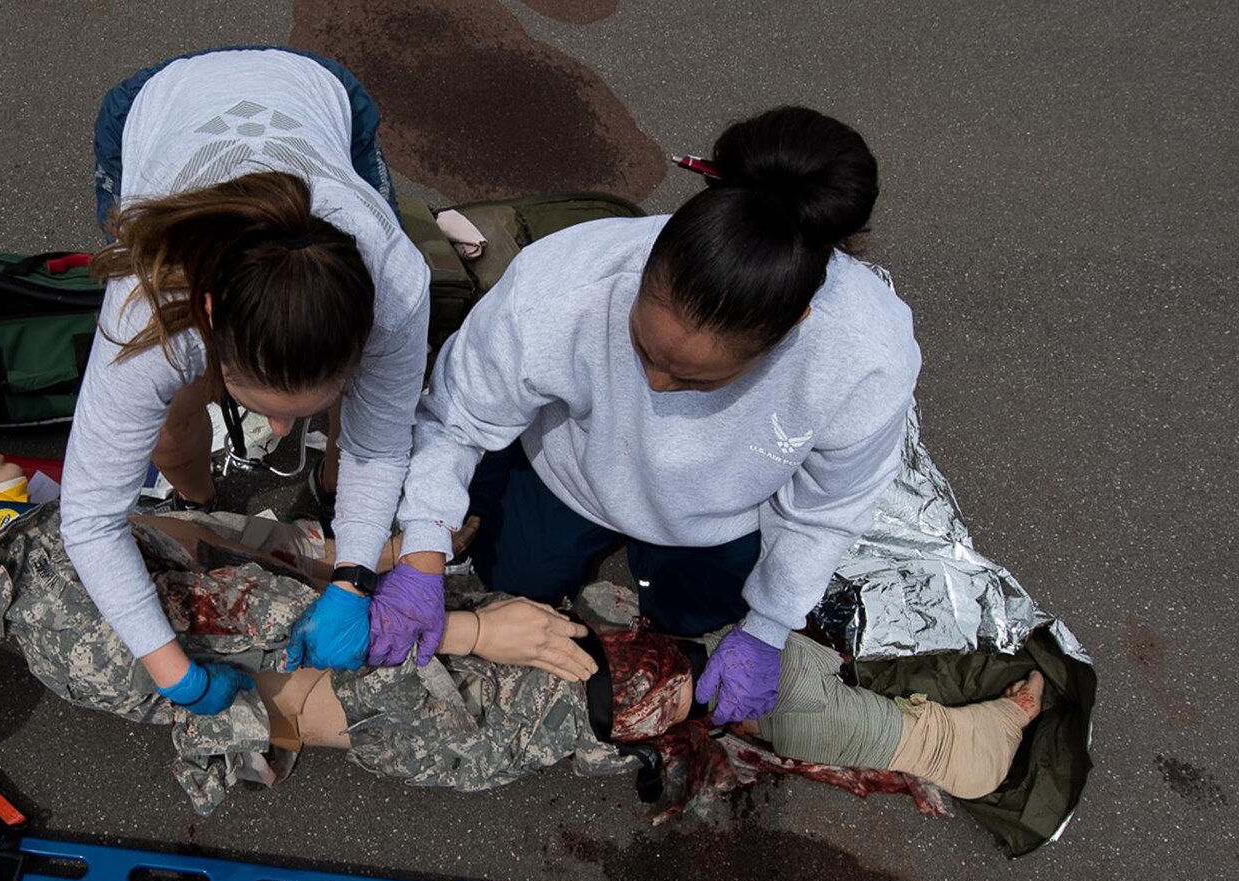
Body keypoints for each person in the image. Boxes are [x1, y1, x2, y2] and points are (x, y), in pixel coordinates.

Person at [0, 453, 1043, 817]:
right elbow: (280, 634)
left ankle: (880, 716)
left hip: (391, 659)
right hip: (416, 697)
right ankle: (947, 751)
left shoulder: (52, 547)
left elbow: (249, 556)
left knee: (664, 616)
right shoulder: (56, 596)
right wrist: (473, 625)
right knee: (652, 673)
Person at [385, 106, 922, 730]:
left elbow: (826, 508)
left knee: (690, 623)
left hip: (721, 516)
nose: (655, 387)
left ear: (791, 328)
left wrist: (770, 626)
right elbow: (456, 418)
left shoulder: (863, 359)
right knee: (512, 577)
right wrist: (422, 544)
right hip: (569, 473)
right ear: (644, 267)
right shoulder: (560, 286)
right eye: (642, 349)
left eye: (696, 380)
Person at [61, 47, 432, 715]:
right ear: (206, 316)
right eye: (263, 407)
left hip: (321, 95)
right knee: (169, 417)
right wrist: (173, 671)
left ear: (367, 328)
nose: (282, 433)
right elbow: (89, 519)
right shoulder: (150, 308)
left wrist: (353, 578)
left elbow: (381, 443)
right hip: (157, 102)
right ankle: (200, 501)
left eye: (311, 407)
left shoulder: (398, 287)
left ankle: (326, 494)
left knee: (370, 423)